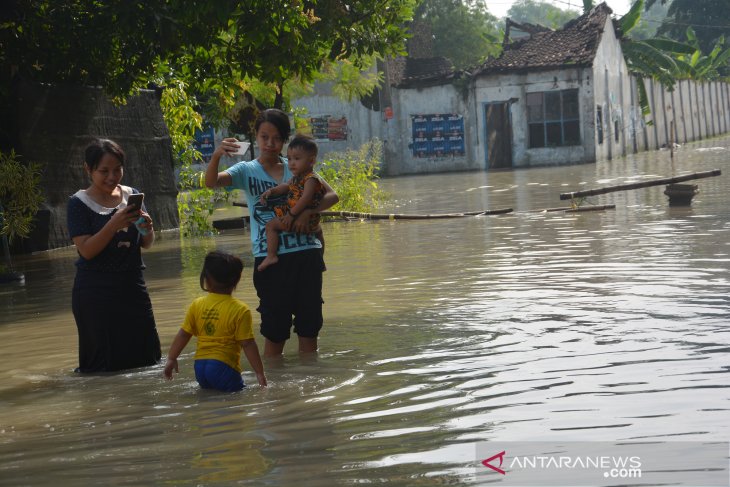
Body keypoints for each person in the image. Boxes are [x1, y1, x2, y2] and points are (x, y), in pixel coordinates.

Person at [205, 108, 339, 357]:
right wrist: (216, 157)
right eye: (264, 137)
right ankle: (274, 390)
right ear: (255, 137)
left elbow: (331, 195)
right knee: (275, 331)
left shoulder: (298, 166)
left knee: (309, 330)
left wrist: (309, 212)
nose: (270, 143)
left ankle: (311, 387)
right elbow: (211, 182)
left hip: (307, 254)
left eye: (276, 138)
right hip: (270, 259)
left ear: (284, 140)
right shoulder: (246, 170)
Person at [67, 138, 160, 372]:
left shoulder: (132, 195)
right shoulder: (78, 203)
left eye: (117, 169)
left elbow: (147, 243)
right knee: (102, 368)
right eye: (104, 171)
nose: (112, 177)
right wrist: (113, 224)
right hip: (96, 294)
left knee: (147, 359)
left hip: (133, 289)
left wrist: (147, 228)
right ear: (88, 170)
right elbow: (86, 250)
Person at [163, 251, 267, 392]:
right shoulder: (240, 310)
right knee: (233, 404)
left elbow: (183, 334)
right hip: (223, 366)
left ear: (207, 279)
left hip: (200, 366)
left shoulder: (197, 304)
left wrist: (171, 358)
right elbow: (247, 343)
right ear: (236, 280)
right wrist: (260, 373)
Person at [257, 135, 325, 272]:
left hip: (299, 217)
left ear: (311, 161)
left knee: (271, 226)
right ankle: (321, 260)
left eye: (297, 159)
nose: (292, 163)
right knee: (318, 231)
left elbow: (305, 199)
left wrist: (291, 215)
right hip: (310, 220)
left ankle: (271, 256)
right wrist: (271, 191)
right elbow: (285, 186)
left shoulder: (311, 179)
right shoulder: (297, 178)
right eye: (289, 159)